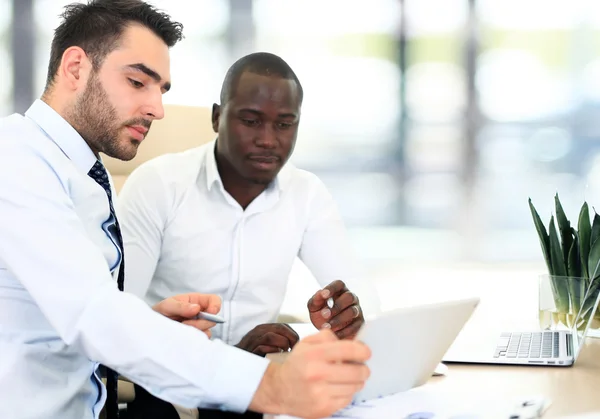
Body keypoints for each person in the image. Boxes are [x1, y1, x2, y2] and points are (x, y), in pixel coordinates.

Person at [0, 2, 372, 419]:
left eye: (161, 90)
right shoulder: (14, 162)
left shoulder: (82, 172)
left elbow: (78, 314)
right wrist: (272, 386)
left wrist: (156, 323)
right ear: (74, 68)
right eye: (138, 82)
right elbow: (94, 316)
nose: (157, 109)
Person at [119, 51, 381, 354]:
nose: (268, 140)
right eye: (251, 121)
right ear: (217, 118)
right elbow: (118, 321)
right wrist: (237, 356)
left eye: (284, 124)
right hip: (168, 383)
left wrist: (348, 316)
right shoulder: (158, 185)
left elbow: (362, 299)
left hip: (263, 384)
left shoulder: (307, 194)